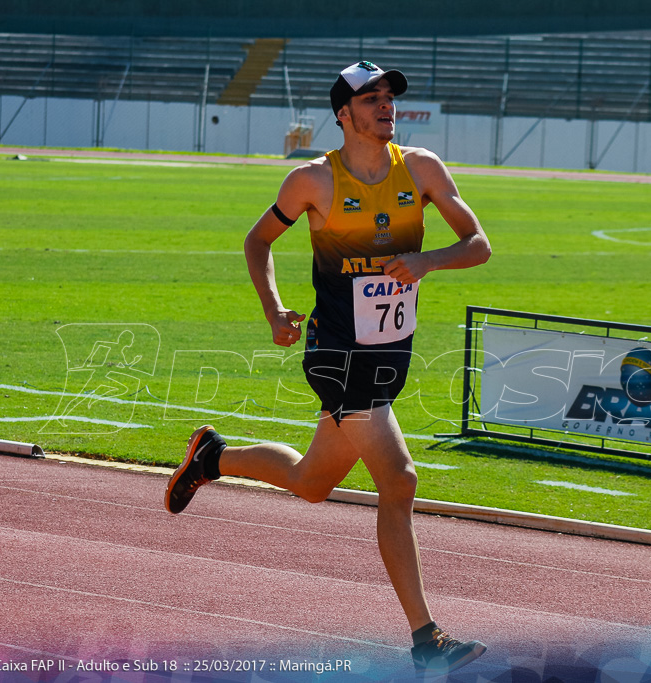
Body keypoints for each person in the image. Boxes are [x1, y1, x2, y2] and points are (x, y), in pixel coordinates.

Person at [164, 60, 492, 676]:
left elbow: (479, 245)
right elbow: (257, 241)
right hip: (337, 354)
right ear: (343, 113)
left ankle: (211, 457)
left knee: (313, 482)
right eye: (371, 98)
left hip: (390, 353)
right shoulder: (312, 181)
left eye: (389, 96)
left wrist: (427, 261)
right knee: (400, 480)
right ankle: (427, 640)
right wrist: (274, 311)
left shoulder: (420, 168)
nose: (385, 105)